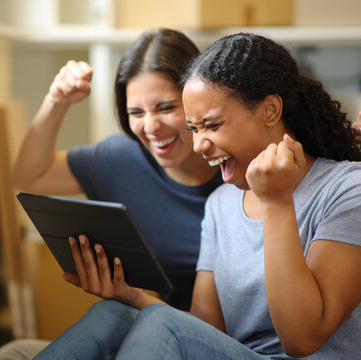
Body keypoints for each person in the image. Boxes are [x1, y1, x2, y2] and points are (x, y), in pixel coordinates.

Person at [32, 32, 361, 359]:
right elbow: (205, 328)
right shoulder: (221, 203)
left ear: (270, 110)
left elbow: (303, 340)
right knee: (113, 313)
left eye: (212, 125)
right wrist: (130, 295)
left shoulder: (347, 189)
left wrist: (276, 201)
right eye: (194, 129)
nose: (200, 145)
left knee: (164, 322)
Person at [0, 28, 222, 360]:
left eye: (165, 107)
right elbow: (29, 176)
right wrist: (57, 100)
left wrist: (131, 298)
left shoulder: (239, 176)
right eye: (136, 113)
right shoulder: (123, 159)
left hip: (200, 339)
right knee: (14, 353)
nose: (151, 126)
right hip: (153, 328)